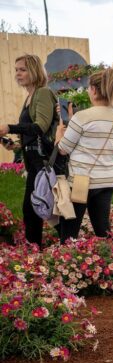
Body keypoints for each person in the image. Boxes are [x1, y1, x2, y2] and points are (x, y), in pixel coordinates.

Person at [55, 68, 113, 242]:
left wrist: (59, 134)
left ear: (93, 89)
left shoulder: (82, 116)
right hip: (107, 179)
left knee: (69, 232)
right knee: (103, 231)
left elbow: (63, 149)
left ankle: (67, 265)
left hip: (81, 181)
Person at [0, 54, 58, 246]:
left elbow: (40, 127)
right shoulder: (30, 97)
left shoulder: (42, 93)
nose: (18, 74)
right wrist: (13, 145)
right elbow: (32, 136)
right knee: (38, 209)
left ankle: (34, 254)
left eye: (22, 69)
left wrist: (11, 127)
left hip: (43, 163)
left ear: (34, 71)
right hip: (34, 163)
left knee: (34, 209)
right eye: (16, 70)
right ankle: (44, 249)